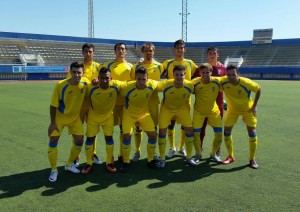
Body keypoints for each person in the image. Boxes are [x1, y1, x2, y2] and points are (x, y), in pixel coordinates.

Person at [47, 62, 89, 182]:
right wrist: (52, 123)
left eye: (79, 72)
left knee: (79, 141)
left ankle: (69, 164)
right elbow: (53, 106)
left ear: (83, 73)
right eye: (74, 72)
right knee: (53, 140)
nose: (76, 75)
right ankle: (54, 170)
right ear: (70, 72)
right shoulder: (60, 85)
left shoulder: (85, 84)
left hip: (75, 118)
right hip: (60, 118)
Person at [81, 68, 126, 174]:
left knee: (109, 138)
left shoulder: (116, 86)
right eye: (102, 78)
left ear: (111, 78)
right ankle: (88, 163)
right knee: (90, 139)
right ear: (98, 78)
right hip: (93, 117)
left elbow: (129, 85)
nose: (104, 80)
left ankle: (109, 162)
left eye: (107, 78)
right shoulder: (91, 87)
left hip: (108, 117)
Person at [161, 39, 198, 159]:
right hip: (170, 99)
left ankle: (182, 148)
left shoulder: (190, 63)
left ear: (184, 49)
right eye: (177, 47)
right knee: (170, 125)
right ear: (174, 49)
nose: (179, 50)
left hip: (185, 99)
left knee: (184, 125)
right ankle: (172, 148)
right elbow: (155, 68)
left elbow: (200, 72)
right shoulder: (167, 63)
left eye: (181, 48)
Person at [119, 67, 160, 172]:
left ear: (148, 78)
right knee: (127, 136)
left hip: (144, 115)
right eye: (139, 79)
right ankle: (126, 161)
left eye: (144, 79)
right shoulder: (126, 87)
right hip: (129, 114)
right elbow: (115, 84)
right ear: (135, 78)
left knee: (153, 135)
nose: (141, 82)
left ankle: (150, 160)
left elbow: (165, 84)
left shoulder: (152, 85)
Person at [68, 43, 102, 167]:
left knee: (93, 131)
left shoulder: (99, 67)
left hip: (94, 105)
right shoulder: (77, 67)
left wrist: (99, 81)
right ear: (82, 52)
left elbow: (105, 81)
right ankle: (76, 156)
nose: (88, 54)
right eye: (86, 51)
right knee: (77, 131)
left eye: (90, 51)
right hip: (79, 105)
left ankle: (93, 154)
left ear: (94, 53)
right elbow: (70, 83)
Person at [221, 65, 261, 169]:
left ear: (237, 74)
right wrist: (224, 103)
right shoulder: (224, 81)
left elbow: (258, 89)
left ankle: (252, 159)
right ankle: (230, 156)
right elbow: (215, 87)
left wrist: (254, 106)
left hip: (247, 110)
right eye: (228, 74)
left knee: (252, 132)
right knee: (226, 131)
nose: (231, 77)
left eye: (233, 74)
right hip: (232, 110)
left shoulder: (246, 82)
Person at [157, 65, 197, 167]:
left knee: (189, 130)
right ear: (173, 75)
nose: (179, 77)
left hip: (182, 109)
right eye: (177, 75)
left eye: (181, 75)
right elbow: (151, 85)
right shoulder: (165, 84)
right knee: (162, 131)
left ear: (185, 75)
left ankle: (188, 157)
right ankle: (162, 159)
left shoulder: (190, 85)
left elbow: (203, 90)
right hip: (167, 109)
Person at [130, 42, 163, 162]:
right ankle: (137, 152)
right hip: (139, 102)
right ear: (143, 52)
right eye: (146, 51)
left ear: (154, 52)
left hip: (153, 102)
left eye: (151, 51)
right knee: (137, 128)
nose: (149, 53)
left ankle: (153, 152)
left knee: (153, 129)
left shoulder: (160, 66)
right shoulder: (136, 67)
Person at [103, 42, 133, 163]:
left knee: (123, 129)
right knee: (109, 130)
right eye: (118, 49)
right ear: (114, 51)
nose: (121, 51)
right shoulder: (108, 65)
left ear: (125, 51)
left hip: (126, 103)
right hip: (111, 103)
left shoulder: (131, 66)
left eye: (123, 49)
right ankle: (110, 157)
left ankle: (121, 155)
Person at [193, 46, 226, 153]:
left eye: (214, 53)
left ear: (218, 55)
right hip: (202, 104)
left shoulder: (222, 69)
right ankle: (200, 147)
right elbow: (193, 83)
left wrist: (225, 100)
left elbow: (227, 84)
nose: (212, 55)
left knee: (218, 129)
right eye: (210, 53)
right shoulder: (201, 69)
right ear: (207, 55)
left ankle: (217, 150)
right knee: (201, 128)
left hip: (218, 103)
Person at [191, 63, 223, 163]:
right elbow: (184, 88)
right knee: (196, 134)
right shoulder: (194, 83)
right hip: (198, 112)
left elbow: (230, 83)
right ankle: (198, 154)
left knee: (219, 134)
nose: (205, 75)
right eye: (203, 72)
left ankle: (213, 154)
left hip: (214, 112)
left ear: (211, 72)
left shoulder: (217, 82)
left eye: (207, 72)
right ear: (200, 73)